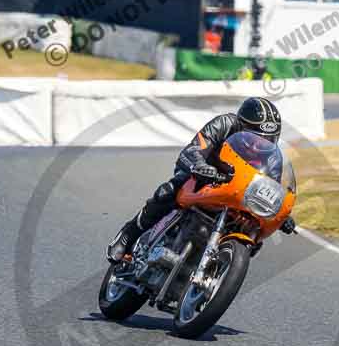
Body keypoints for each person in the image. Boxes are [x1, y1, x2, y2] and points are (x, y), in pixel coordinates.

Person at [107, 97, 294, 264]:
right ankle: (127, 236)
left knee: (254, 237)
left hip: (238, 193)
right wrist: (201, 166)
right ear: (241, 126)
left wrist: (281, 214)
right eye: (254, 136)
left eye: (268, 139)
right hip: (206, 176)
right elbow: (193, 149)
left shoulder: (272, 157)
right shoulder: (224, 124)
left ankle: (215, 271)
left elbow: (270, 187)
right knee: (170, 190)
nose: (258, 144)